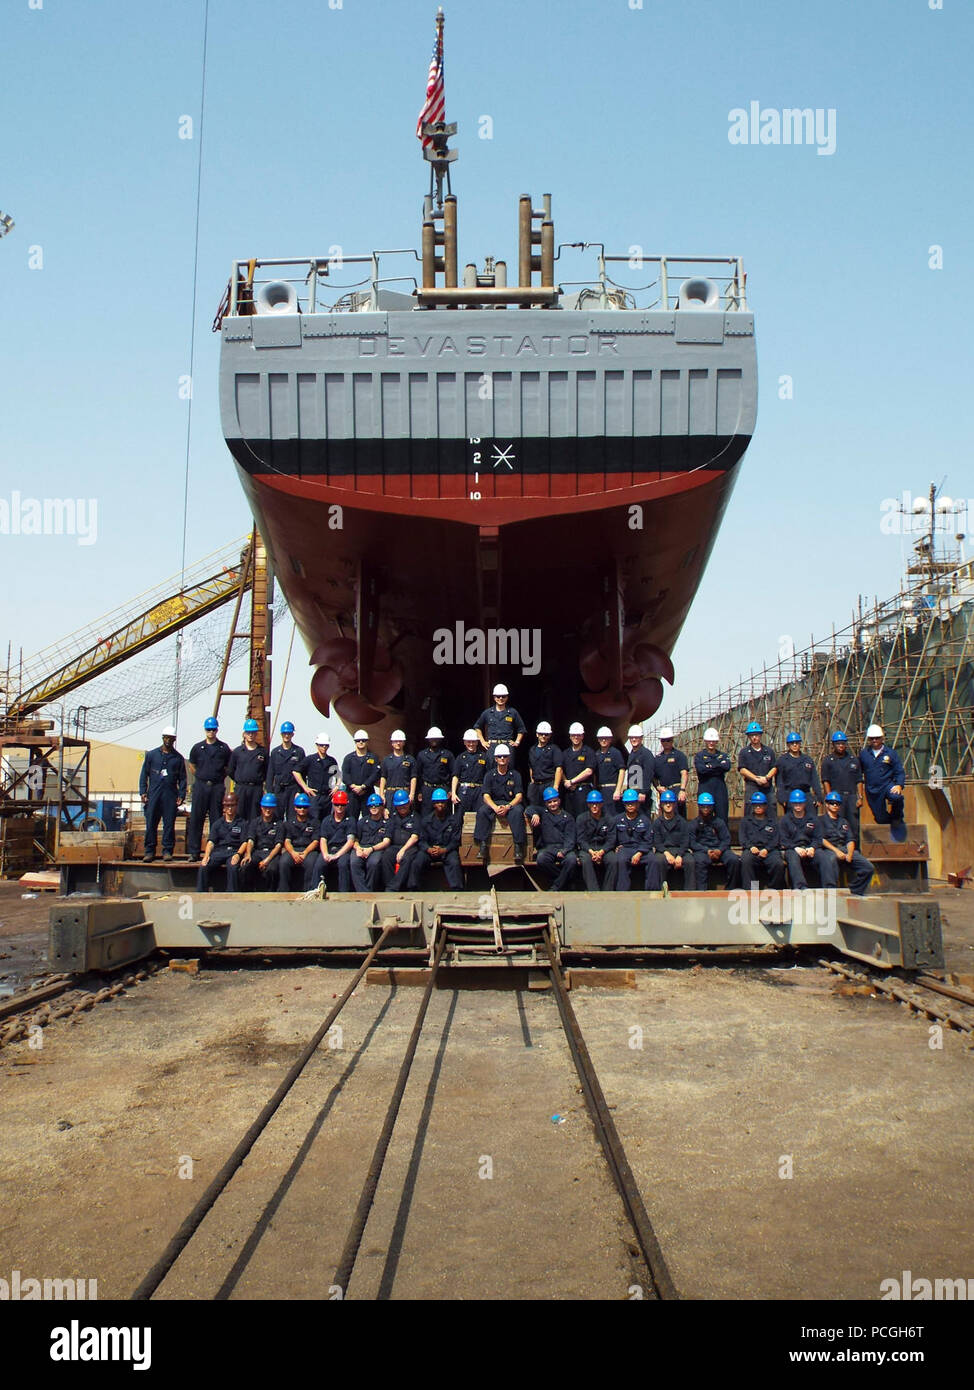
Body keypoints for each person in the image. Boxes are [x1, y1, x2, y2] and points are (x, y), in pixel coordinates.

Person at [140, 724, 187, 863]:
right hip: (153, 794)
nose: (168, 741)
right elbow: (144, 774)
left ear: (174, 740)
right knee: (151, 823)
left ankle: (167, 851)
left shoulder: (178, 758)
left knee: (168, 825)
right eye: (166, 738)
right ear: (162, 738)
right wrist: (143, 791)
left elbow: (183, 778)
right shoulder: (151, 755)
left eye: (171, 738)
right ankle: (149, 851)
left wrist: (181, 795)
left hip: (170, 795)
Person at [186, 716, 231, 861]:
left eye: (213, 729)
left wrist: (217, 778)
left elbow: (227, 768)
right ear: (205, 730)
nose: (211, 732)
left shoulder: (223, 748)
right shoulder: (197, 748)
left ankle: (215, 850)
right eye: (208, 729)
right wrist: (201, 776)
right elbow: (192, 766)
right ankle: (194, 851)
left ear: (217, 730)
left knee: (216, 819)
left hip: (217, 787)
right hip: (201, 786)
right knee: (196, 819)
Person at [474, 744, 527, 864]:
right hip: (495, 803)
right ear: (495, 759)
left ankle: (518, 846)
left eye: (505, 756)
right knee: (482, 811)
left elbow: (519, 796)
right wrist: (495, 807)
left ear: (509, 758)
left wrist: (508, 807)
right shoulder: (489, 775)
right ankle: (482, 846)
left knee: (518, 812)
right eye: (499, 756)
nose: (502, 758)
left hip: (510, 803)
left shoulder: (516, 775)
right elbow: (486, 795)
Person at [819, 792, 875, 896]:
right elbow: (821, 839)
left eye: (837, 803)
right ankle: (831, 891)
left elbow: (850, 839)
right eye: (832, 803)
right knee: (830, 859)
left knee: (868, 867)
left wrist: (849, 853)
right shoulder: (820, 820)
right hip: (829, 849)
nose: (835, 805)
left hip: (844, 848)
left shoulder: (844, 821)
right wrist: (836, 851)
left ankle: (855, 890)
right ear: (826, 804)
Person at [778, 790, 836, 889]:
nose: (798, 805)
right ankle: (801, 887)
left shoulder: (813, 819)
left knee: (824, 856)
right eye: (795, 803)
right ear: (791, 804)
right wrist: (795, 847)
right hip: (793, 849)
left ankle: (829, 887)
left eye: (800, 803)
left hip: (810, 848)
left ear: (804, 803)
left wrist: (812, 847)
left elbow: (818, 838)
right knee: (792, 856)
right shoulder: (785, 820)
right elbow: (783, 839)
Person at [859, 724, 907, 842]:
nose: (874, 740)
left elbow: (899, 771)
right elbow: (858, 773)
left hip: (887, 785)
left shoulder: (890, 753)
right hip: (872, 790)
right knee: (880, 818)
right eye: (871, 738)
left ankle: (897, 818)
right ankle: (889, 826)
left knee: (896, 797)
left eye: (877, 738)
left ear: (882, 738)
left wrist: (899, 785)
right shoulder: (864, 754)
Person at [196, 792, 249, 891]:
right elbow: (211, 842)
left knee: (233, 867)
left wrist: (238, 854)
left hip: (233, 851)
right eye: (227, 805)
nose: (230, 808)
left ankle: (232, 894)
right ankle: (200, 893)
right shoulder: (217, 824)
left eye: (232, 805)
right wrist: (206, 855)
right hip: (219, 851)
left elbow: (244, 842)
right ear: (224, 807)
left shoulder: (242, 823)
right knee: (204, 866)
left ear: (236, 806)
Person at [688, 792, 740, 890]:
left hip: (719, 850)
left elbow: (726, 839)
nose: (706, 809)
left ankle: (730, 889)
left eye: (708, 806)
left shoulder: (719, 822)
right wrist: (706, 850)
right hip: (702, 851)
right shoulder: (693, 824)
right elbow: (692, 842)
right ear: (699, 806)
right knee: (700, 861)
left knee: (733, 860)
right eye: (703, 806)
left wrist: (719, 850)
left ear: (712, 807)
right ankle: (702, 891)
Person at [414, 788, 464, 889]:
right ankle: (413, 888)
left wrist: (444, 850)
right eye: (437, 802)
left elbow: (455, 841)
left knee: (454, 861)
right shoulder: (426, 821)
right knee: (418, 861)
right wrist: (428, 849)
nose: (440, 804)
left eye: (442, 802)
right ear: (433, 804)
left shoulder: (454, 821)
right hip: (430, 851)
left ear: (446, 803)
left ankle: (457, 889)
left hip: (446, 850)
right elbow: (422, 841)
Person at [530, 787, 577, 890]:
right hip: (549, 848)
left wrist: (564, 851)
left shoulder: (568, 817)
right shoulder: (543, 813)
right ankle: (565, 882)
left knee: (572, 860)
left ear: (559, 801)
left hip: (564, 848)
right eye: (549, 802)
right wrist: (534, 814)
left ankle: (556, 887)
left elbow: (571, 838)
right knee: (541, 859)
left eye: (555, 801)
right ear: (546, 804)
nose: (553, 804)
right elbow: (529, 808)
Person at [612, 788, 659, 890]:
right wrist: (615, 847)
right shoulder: (617, 820)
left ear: (637, 804)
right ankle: (622, 892)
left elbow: (648, 840)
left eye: (632, 803)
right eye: (627, 803)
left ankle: (652, 891)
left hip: (641, 850)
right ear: (624, 804)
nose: (630, 805)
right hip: (625, 848)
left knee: (653, 859)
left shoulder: (645, 820)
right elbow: (611, 838)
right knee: (620, 859)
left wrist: (639, 853)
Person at [821, 731, 863, 843]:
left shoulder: (853, 760)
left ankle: (855, 852)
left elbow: (859, 780)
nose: (841, 746)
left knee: (854, 826)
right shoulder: (828, 761)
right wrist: (829, 798)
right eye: (838, 743)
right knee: (837, 826)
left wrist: (860, 797)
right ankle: (838, 849)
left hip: (851, 797)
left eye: (843, 743)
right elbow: (826, 781)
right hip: (837, 798)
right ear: (833, 745)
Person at [738, 792, 785, 890]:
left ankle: (773, 889)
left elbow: (776, 839)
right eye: (755, 805)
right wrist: (751, 847)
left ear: (765, 806)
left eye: (760, 805)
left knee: (778, 864)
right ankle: (752, 890)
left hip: (770, 851)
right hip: (752, 849)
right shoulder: (745, 821)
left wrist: (767, 849)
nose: (758, 807)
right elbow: (742, 838)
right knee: (746, 861)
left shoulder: (773, 821)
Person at [278, 792, 323, 892]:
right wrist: (293, 853)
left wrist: (305, 853)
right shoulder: (290, 822)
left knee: (311, 863)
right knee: (283, 862)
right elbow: (287, 841)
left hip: (309, 850)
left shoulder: (314, 822)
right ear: (295, 808)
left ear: (308, 808)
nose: (302, 809)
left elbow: (315, 841)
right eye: (299, 807)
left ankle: (309, 892)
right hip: (294, 849)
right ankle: (284, 892)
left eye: (304, 807)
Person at [313, 789, 356, 892]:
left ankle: (343, 893)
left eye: (342, 804)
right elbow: (323, 840)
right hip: (328, 849)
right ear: (333, 803)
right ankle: (315, 891)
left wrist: (337, 855)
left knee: (343, 864)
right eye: (337, 804)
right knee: (319, 864)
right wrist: (325, 854)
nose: (339, 807)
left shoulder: (350, 820)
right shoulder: (326, 820)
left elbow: (350, 841)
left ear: (346, 804)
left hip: (343, 850)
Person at [574, 790, 617, 891]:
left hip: (604, 848)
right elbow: (580, 839)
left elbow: (611, 839)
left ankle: (608, 891)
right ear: (588, 804)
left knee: (613, 860)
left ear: (601, 804)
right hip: (588, 849)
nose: (594, 806)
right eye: (592, 804)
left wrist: (602, 852)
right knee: (585, 860)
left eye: (597, 804)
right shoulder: (581, 818)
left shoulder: (609, 819)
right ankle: (593, 891)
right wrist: (591, 851)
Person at [474, 684, 527, 766]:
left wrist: (517, 741)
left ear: (507, 697)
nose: (501, 698)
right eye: (498, 696)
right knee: (490, 770)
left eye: (503, 696)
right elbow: (477, 726)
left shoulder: (513, 712)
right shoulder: (487, 713)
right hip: (492, 746)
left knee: (509, 771)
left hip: (507, 745)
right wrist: (482, 741)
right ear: (494, 697)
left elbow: (521, 729)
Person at [228, 718, 268, 822]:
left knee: (255, 816)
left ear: (256, 734)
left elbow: (267, 771)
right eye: (248, 732)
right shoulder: (237, 752)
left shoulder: (262, 752)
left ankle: (252, 838)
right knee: (239, 815)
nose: (251, 735)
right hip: (241, 788)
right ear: (244, 734)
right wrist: (240, 778)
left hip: (256, 789)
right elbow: (231, 770)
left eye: (253, 732)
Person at [350, 792, 392, 891]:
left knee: (373, 863)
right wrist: (358, 848)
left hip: (376, 849)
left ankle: (370, 890)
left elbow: (386, 842)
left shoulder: (387, 823)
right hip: (362, 847)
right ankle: (363, 893)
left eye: (376, 805)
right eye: (371, 806)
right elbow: (355, 839)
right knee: (354, 862)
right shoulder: (362, 822)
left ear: (382, 807)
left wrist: (371, 849)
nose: (374, 807)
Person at [294, 731, 341, 820]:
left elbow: (338, 775)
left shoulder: (331, 760)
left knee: (326, 822)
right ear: (317, 745)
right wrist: (305, 787)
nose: (324, 747)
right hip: (314, 797)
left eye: (326, 745)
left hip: (327, 797)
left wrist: (337, 786)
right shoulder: (310, 759)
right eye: (321, 745)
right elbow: (296, 771)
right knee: (314, 821)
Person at [242, 793, 283, 891]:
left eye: (270, 807)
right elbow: (251, 840)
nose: (267, 810)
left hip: (272, 854)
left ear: (274, 808)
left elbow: (278, 845)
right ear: (261, 807)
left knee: (272, 869)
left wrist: (267, 860)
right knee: (246, 866)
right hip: (258, 852)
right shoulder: (255, 822)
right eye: (265, 807)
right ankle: (247, 892)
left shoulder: (279, 824)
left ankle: (270, 893)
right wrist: (248, 854)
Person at [382, 789, 423, 888]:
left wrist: (403, 850)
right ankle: (390, 883)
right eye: (400, 806)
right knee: (386, 856)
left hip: (410, 847)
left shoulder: (415, 817)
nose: (402, 807)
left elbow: (415, 837)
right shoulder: (393, 817)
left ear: (409, 803)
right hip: (395, 846)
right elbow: (388, 835)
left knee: (406, 858)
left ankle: (393, 887)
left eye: (404, 805)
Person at [775, 733, 823, 814]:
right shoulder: (782, 761)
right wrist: (782, 798)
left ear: (800, 744)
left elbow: (814, 779)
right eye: (792, 743)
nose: (794, 745)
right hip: (790, 795)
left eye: (797, 743)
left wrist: (819, 797)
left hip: (806, 794)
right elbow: (779, 781)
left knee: (811, 821)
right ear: (788, 745)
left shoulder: (807, 760)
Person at [651, 789, 691, 886]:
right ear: (661, 804)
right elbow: (657, 842)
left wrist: (680, 855)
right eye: (665, 803)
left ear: (674, 804)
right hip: (663, 851)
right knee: (657, 861)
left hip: (679, 850)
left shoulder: (682, 822)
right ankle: (659, 890)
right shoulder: (657, 823)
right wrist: (667, 854)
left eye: (670, 803)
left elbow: (685, 841)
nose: (668, 805)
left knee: (691, 862)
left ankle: (690, 892)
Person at [266, 721, 306, 819]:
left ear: (292, 734)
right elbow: (270, 773)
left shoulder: (299, 752)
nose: (287, 735)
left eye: (289, 733)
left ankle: (290, 835)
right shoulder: (275, 752)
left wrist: (300, 791)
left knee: (292, 817)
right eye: (285, 733)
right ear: (281, 734)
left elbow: (303, 773)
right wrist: (270, 791)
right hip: (279, 789)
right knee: (276, 816)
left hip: (293, 790)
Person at [738, 721, 777, 817]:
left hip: (767, 786)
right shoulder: (744, 752)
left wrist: (766, 778)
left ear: (760, 735)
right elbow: (742, 769)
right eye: (752, 735)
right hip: (752, 787)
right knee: (750, 811)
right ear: (748, 737)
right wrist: (756, 779)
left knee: (771, 809)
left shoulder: (769, 751)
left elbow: (774, 767)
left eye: (756, 735)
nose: (754, 737)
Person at [693, 728, 732, 825]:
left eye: (713, 741)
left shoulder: (723, 755)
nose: (711, 743)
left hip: (720, 790)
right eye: (709, 741)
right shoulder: (699, 756)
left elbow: (726, 766)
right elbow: (701, 770)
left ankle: (723, 839)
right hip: (705, 788)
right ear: (705, 741)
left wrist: (710, 766)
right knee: (704, 818)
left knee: (722, 818)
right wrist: (718, 766)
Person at [341, 730, 380, 821]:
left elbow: (375, 774)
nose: (361, 742)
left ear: (367, 741)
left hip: (367, 793)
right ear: (355, 742)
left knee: (368, 819)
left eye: (363, 740)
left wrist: (363, 786)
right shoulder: (349, 758)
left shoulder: (373, 758)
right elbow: (345, 774)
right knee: (350, 819)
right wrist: (353, 786)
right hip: (352, 793)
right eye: (358, 740)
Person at [415, 728, 455, 811]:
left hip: (443, 788)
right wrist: (419, 791)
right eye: (432, 738)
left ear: (440, 739)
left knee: (444, 814)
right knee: (426, 815)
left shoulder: (448, 755)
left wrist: (451, 790)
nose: (434, 740)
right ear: (428, 739)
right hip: (427, 790)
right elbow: (418, 774)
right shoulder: (422, 755)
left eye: (436, 738)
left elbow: (454, 774)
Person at [561, 723, 596, 818]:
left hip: (583, 791)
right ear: (570, 736)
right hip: (569, 792)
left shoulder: (588, 752)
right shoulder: (565, 753)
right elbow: (560, 770)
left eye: (578, 735)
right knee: (569, 818)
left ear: (582, 736)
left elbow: (589, 771)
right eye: (573, 735)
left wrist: (572, 781)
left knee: (583, 818)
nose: (576, 737)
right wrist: (566, 782)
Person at [526, 722, 563, 812]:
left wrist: (556, 786)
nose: (543, 736)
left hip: (549, 784)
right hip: (536, 787)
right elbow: (531, 767)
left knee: (549, 812)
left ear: (549, 735)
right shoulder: (532, 750)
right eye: (541, 734)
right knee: (534, 812)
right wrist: (532, 781)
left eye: (546, 734)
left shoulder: (554, 749)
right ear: (537, 734)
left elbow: (559, 769)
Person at [653, 727, 689, 817]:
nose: (666, 742)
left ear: (672, 740)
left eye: (668, 740)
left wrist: (682, 790)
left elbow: (684, 773)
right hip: (664, 792)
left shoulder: (679, 755)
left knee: (679, 818)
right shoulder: (657, 759)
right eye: (663, 740)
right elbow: (653, 776)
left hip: (676, 790)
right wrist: (657, 787)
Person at [379, 730, 417, 810]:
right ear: (392, 743)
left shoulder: (410, 760)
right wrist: (381, 794)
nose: (398, 743)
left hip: (405, 792)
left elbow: (413, 777)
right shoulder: (386, 760)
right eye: (396, 741)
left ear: (404, 742)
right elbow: (383, 777)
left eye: (400, 741)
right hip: (390, 794)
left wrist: (412, 794)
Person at [452, 730, 488, 814]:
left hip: (479, 791)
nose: (471, 744)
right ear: (464, 742)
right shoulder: (460, 757)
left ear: (477, 742)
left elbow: (488, 776)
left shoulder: (483, 757)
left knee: (480, 816)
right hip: (464, 791)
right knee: (459, 817)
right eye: (468, 742)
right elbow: (455, 776)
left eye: (473, 742)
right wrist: (453, 793)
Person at [593, 727, 626, 819]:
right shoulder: (596, 754)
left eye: (606, 738)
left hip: (612, 790)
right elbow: (595, 774)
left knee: (613, 817)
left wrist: (618, 790)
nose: (604, 740)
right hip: (600, 790)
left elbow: (622, 770)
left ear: (610, 739)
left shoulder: (615, 753)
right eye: (601, 738)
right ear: (598, 739)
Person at [625, 724, 655, 809]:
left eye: (636, 737)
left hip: (641, 795)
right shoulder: (631, 754)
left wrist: (643, 792)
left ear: (641, 738)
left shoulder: (646, 754)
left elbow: (648, 773)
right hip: (633, 793)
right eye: (631, 737)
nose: (633, 739)